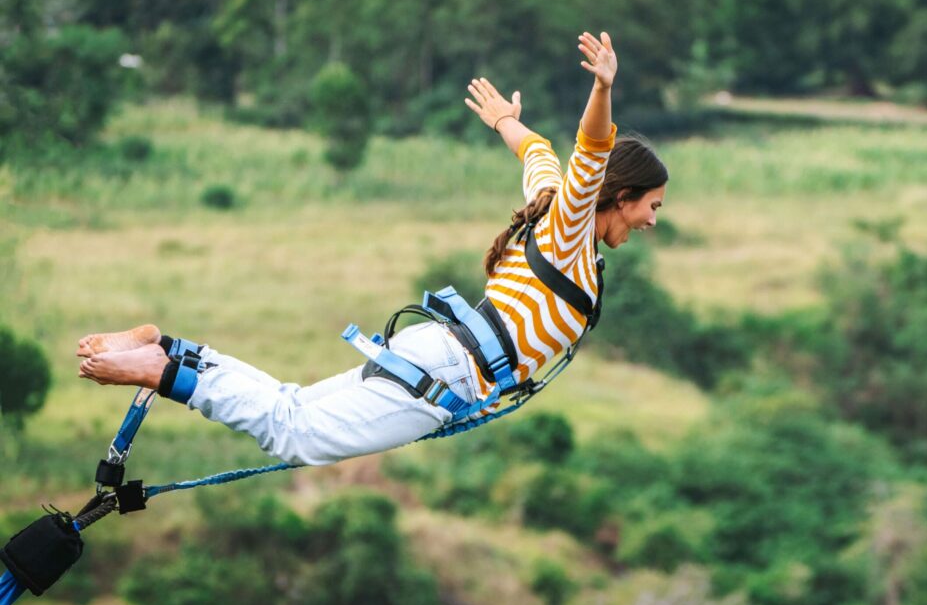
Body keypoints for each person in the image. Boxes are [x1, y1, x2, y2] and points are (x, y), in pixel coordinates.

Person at [76, 31, 668, 466]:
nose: (651, 221)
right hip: (450, 373)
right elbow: (588, 148)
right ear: (621, 195)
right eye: (651, 206)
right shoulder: (570, 229)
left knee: (292, 405)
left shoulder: (552, 205)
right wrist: (602, 87)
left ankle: (170, 349)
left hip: (436, 352)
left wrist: (504, 122)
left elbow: (537, 152)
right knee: (297, 435)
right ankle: (160, 371)